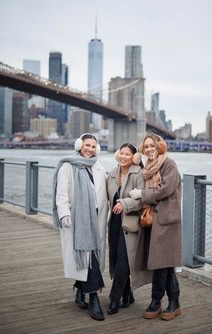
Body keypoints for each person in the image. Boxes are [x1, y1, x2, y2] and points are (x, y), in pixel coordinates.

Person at [52, 133, 108, 321]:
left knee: (89, 258)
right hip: (77, 220)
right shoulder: (67, 166)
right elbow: (61, 194)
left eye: (93, 146)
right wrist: (64, 214)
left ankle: (79, 290)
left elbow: (106, 191)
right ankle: (93, 298)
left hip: (95, 221)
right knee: (88, 257)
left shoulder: (98, 167)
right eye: (87, 145)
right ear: (79, 145)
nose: (90, 149)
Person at [129, 133, 182, 321]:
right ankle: (173, 302)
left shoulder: (169, 164)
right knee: (165, 264)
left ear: (159, 147)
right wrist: (136, 156)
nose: (149, 150)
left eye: (152, 146)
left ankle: (156, 300)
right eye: (146, 147)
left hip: (167, 221)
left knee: (162, 263)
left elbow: (165, 189)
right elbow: (136, 165)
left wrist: (141, 194)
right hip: (153, 220)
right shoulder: (149, 167)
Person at [106, 143, 151, 315]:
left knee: (124, 261)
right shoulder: (112, 173)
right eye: (121, 153)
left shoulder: (138, 174)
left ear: (134, 157)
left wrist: (124, 204)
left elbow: (142, 199)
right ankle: (128, 294)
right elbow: (104, 195)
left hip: (131, 224)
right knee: (116, 259)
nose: (123, 156)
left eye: (127, 154)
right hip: (115, 222)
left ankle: (114, 299)